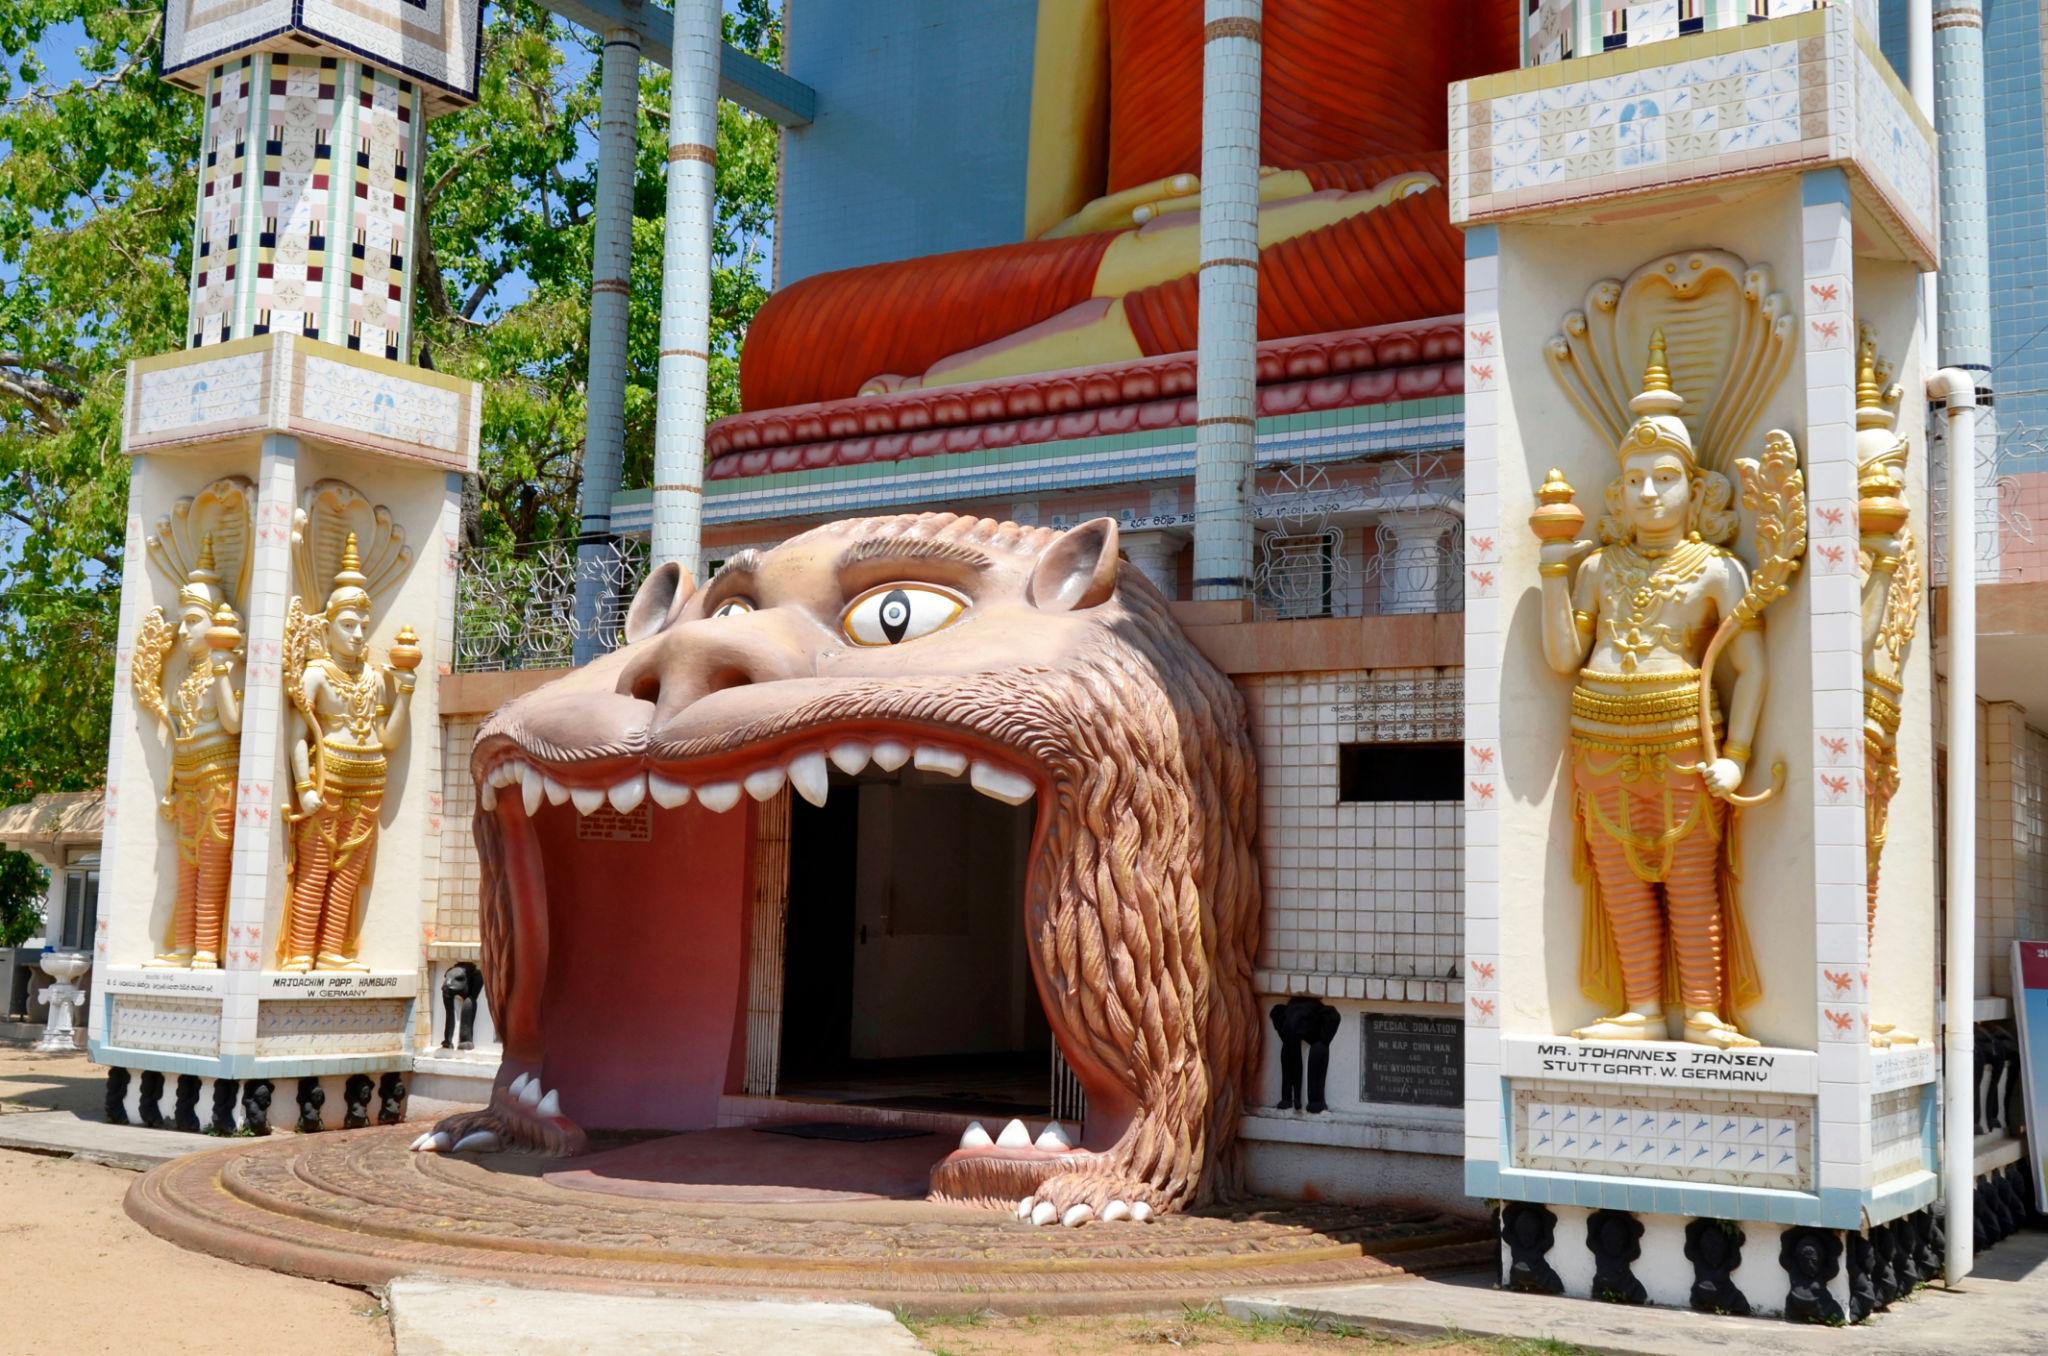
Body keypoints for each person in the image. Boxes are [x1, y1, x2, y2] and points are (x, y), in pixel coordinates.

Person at [737, 0, 1519, 411]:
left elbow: (1511, 146)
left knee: (1477, 221)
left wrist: (1301, 200)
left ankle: (980, 378)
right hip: (1118, 250)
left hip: (1374, 214)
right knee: (785, 339)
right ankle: (1162, 296)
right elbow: (1054, 218)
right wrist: (1134, 244)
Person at [1535, 335, 1765, 1050]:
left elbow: (1749, 669)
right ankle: (1642, 1007)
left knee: (1691, 884)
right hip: (1599, 739)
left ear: (1694, 490)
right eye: (1633, 481)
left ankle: (1701, 1011)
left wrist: (1737, 755)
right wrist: (1551, 572)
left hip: (1682, 746)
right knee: (1621, 885)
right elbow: (1564, 658)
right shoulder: (1598, 567)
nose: (1646, 494)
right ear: (1616, 491)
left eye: (1663, 479)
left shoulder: (1718, 570)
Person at [280, 533, 417, 972]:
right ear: (327, 626)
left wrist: (406, 695)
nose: (358, 635)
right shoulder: (317, 675)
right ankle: (301, 950)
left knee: (349, 874)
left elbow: (388, 740)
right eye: (348, 625)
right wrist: (303, 788)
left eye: (363, 625)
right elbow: (298, 738)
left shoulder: (375, 678)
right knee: (316, 867)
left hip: (369, 777)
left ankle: (332, 951)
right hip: (329, 777)